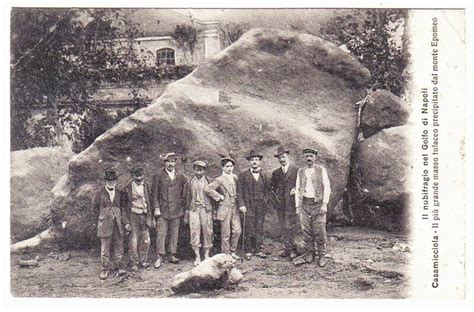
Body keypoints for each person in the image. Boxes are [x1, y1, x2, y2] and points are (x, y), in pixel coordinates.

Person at [295, 148, 331, 267]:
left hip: (318, 204)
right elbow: (298, 189)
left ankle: (322, 255)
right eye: (306, 156)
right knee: (307, 230)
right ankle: (310, 253)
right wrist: (298, 206)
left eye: (311, 156)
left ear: (315, 157)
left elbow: (327, 188)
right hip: (304, 204)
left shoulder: (321, 170)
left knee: (319, 230)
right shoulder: (300, 171)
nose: (309, 158)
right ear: (304, 158)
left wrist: (324, 204)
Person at [152, 152, 187, 268]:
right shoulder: (158, 175)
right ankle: (160, 256)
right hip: (163, 209)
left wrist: (182, 204)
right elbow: (154, 193)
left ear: (175, 163)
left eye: (173, 161)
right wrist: (156, 208)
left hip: (176, 209)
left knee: (174, 233)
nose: (170, 164)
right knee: (161, 233)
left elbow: (186, 189)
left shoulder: (180, 175)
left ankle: (172, 254)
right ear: (164, 163)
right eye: (168, 161)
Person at [92, 169, 130, 280]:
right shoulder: (99, 193)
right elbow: (94, 209)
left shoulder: (120, 193)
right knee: (105, 248)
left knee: (119, 246)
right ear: (105, 181)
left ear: (116, 181)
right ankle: (105, 269)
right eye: (109, 181)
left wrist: (125, 223)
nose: (111, 183)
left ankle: (119, 266)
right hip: (104, 224)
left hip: (118, 223)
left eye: (113, 181)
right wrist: (101, 219)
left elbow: (122, 210)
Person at [237, 149, 271, 260]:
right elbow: (239, 191)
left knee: (259, 226)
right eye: (252, 160)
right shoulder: (243, 175)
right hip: (248, 205)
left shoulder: (264, 175)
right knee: (248, 227)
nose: (254, 162)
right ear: (249, 162)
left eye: (256, 160)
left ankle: (258, 250)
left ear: (259, 162)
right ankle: (248, 251)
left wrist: (265, 201)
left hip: (260, 205)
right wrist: (241, 204)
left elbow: (268, 190)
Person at [205, 156, 242, 260]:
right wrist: (219, 197)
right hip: (224, 209)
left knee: (237, 230)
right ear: (223, 168)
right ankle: (226, 254)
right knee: (226, 233)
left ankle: (233, 251)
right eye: (227, 166)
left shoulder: (235, 177)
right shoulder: (219, 180)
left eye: (231, 166)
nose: (229, 168)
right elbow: (208, 189)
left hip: (235, 207)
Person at [122, 165, 154, 272]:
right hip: (133, 215)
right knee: (133, 240)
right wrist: (126, 221)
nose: (139, 179)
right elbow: (124, 206)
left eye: (141, 176)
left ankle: (143, 260)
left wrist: (151, 216)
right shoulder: (127, 187)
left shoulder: (147, 186)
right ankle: (133, 263)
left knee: (146, 240)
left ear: (143, 175)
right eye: (136, 176)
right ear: (132, 176)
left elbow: (151, 202)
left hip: (145, 215)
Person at [184, 160, 215, 266]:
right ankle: (197, 256)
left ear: (204, 170)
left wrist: (213, 210)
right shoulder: (189, 183)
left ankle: (206, 255)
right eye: (197, 168)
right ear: (194, 169)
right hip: (194, 209)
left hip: (206, 209)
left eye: (201, 169)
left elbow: (215, 197)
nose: (199, 171)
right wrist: (187, 212)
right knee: (194, 230)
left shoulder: (210, 181)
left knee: (208, 230)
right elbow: (186, 198)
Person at [270, 146, 299, 260]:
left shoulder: (296, 170)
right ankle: (287, 249)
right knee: (283, 227)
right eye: (279, 158)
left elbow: (301, 183)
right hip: (280, 204)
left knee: (289, 226)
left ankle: (292, 249)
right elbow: (272, 188)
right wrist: (276, 199)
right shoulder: (276, 173)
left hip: (291, 204)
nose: (281, 159)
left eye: (283, 157)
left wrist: (296, 188)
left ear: (288, 156)